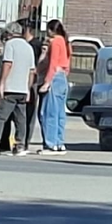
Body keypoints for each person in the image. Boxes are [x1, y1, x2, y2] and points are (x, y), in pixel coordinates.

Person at [0, 20, 36, 156]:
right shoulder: (28, 47)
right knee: (20, 119)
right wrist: (27, 89)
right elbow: (32, 71)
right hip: (22, 89)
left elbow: (7, 64)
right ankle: (20, 146)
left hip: (10, 88)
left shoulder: (10, 45)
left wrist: (2, 83)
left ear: (9, 33)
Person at [0, 19, 44, 152]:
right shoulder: (25, 46)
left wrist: (2, 83)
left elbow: (10, 64)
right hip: (20, 85)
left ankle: (18, 144)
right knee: (15, 117)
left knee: (13, 117)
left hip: (18, 86)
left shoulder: (32, 45)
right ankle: (13, 144)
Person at [38, 19, 71, 155]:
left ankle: (50, 144)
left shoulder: (56, 41)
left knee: (48, 112)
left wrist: (47, 82)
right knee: (59, 113)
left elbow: (52, 63)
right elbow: (68, 62)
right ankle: (59, 142)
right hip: (62, 76)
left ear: (51, 30)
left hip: (55, 76)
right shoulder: (65, 41)